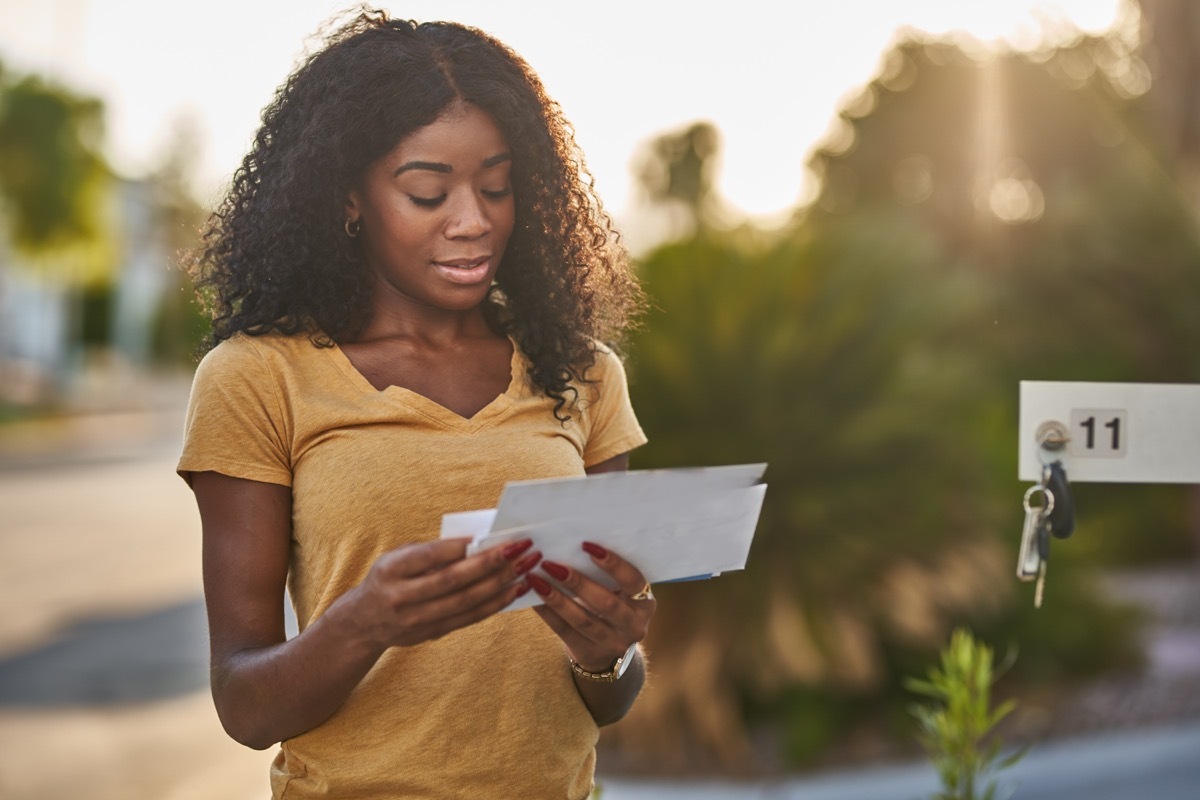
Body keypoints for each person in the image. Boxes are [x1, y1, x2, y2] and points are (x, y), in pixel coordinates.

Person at [177, 9, 654, 798]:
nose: (474, 222)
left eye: (497, 187)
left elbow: (609, 701)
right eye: (428, 192)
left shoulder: (581, 373)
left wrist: (607, 652)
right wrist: (365, 622)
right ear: (349, 198)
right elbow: (245, 704)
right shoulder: (258, 377)